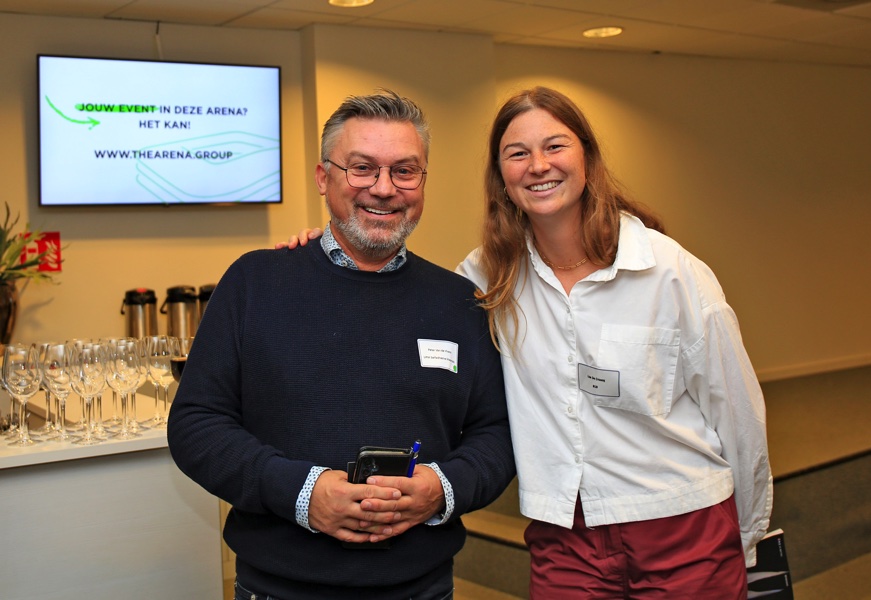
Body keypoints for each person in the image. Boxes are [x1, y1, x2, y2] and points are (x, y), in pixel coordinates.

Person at [286, 86, 773, 599]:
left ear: (588, 157)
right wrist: (316, 258)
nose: (538, 165)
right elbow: (401, 294)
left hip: (683, 522)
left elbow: (738, 416)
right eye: (517, 153)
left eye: (555, 146)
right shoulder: (487, 277)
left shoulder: (670, 271)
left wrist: (744, 536)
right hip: (565, 536)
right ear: (501, 175)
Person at [168, 90, 516, 600]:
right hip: (279, 589)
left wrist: (441, 489)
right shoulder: (254, 283)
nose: (384, 188)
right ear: (323, 177)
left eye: (404, 171)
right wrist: (302, 494)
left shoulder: (459, 301)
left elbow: (497, 433)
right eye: (362, 168)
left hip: (423, 589)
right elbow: (196, 425)